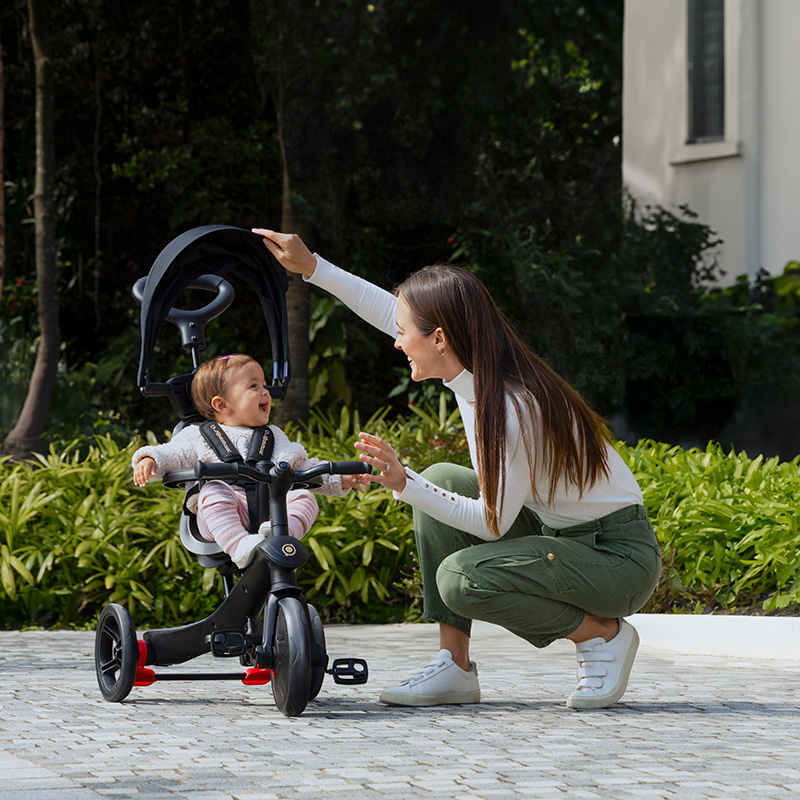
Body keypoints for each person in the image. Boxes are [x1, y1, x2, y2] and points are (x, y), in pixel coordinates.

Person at [253, 228, 662, 711]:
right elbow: (389, 311)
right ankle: (455, 667)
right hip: (568, 539)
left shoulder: (507, 405)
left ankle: (602, 636)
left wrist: (406, 483)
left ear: (440, 338)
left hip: (616, 560)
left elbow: (492, 524)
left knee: (461, 578)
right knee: (444, 478)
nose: (398, 341)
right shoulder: (474, 374)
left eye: (406, 334)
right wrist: (313, 267)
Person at [132, 353, 362, 568]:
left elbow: (300, 466)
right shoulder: (196, 435)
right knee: (213, 490)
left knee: (303, 495)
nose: (265, 392)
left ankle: (282, 535)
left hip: (271, 513)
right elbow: (173, 453)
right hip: (223, 516)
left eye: (264, 385)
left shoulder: (273, 436)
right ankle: (239, 546)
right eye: (254, 386)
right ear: (222, 405)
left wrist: (336, 478)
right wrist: (150, 458)